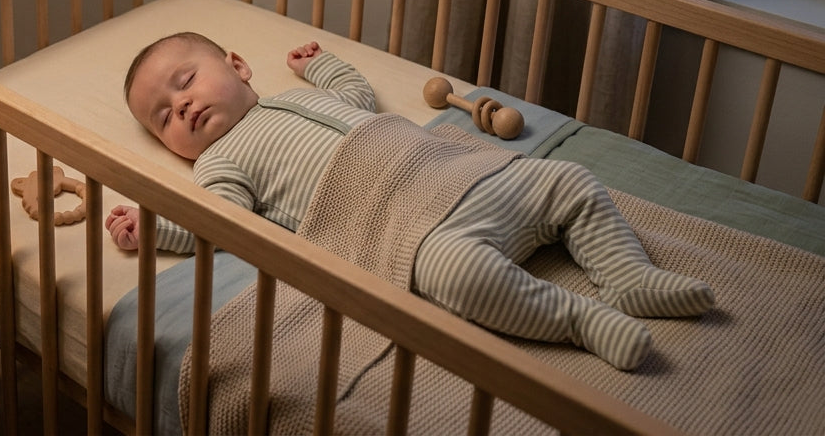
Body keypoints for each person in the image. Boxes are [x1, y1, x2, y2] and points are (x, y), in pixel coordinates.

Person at [105, 31, 715, 370]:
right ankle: (580, 321)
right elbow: (219, 220)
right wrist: (152, 224)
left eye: (185, 82)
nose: (182, 106)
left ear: (238, 65)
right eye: (165, 118)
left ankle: (628, 274)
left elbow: (357, 93)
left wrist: (321, 66)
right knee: (461, 276)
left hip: (457, 171)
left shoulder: (304, 98)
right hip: (401, 228)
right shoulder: (219, 162)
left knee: (568, 181)